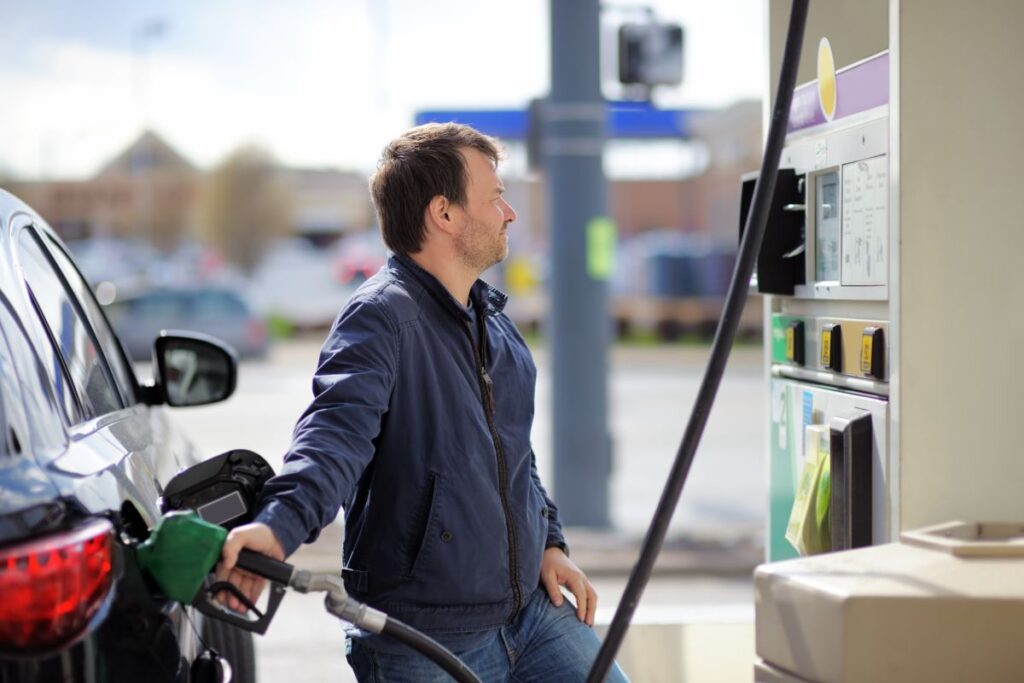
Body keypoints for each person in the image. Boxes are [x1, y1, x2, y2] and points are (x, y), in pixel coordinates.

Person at [217, 122, 628, 682]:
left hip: (531, 615)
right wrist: (278, 525)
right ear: (445, 213)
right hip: (421, 636)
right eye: (497, 198)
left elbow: (515, 460)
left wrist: (549, 543)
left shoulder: (495, 325)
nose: (509, 214)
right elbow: (332, 439)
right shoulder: (381, 318)